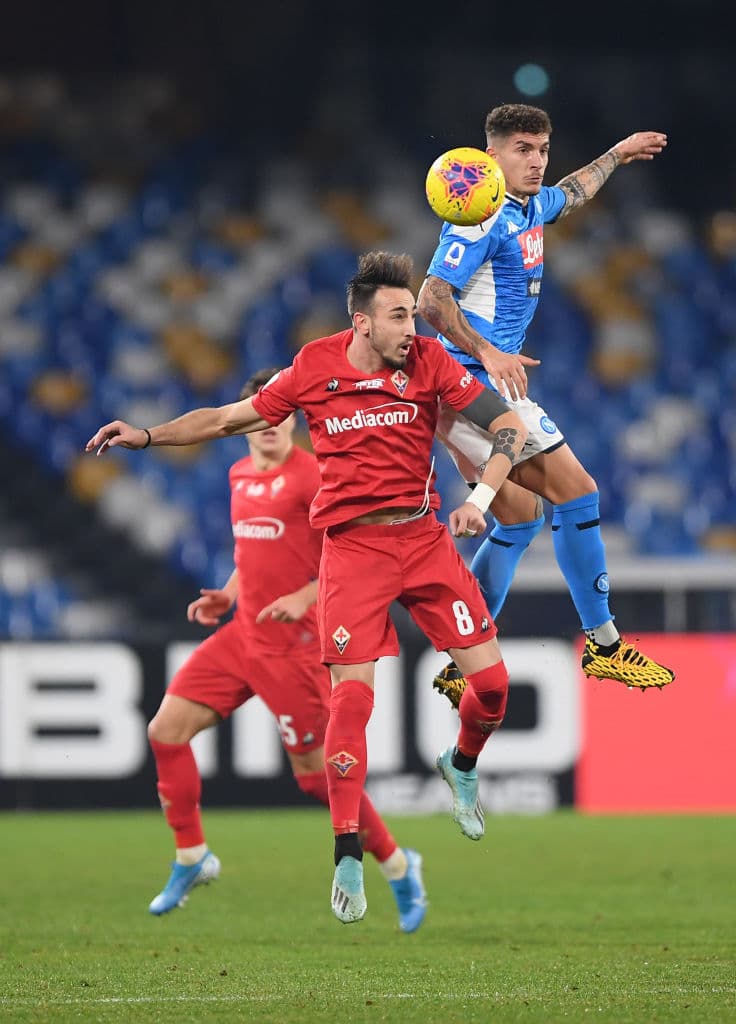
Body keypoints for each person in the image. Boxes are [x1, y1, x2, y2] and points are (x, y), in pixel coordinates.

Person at [87, 251, 529, 926]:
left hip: (424, 540)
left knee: (493, 689)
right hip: (353, 552)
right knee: (349, 705)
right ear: (362, 322)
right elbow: (225, 419)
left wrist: (482, 497)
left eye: (413, 315)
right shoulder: (313, 367)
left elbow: (509, 427)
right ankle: (348, 853)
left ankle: (461, 763)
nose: (412, 327)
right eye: (400, 315)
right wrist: (146, 436)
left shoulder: (430, 363)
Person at [145, 367, 427, 933]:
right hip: (242, 636)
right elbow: (253, 552)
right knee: (165, 731)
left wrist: (305, 596)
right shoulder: (238, 475)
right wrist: (228, 594)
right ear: (246, 423)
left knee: (315, 778)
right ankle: (192, 856)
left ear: (293, 420)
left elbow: (356, 555)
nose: (270, 424)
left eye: (279, 414)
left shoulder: (314, 477)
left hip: (295, 649)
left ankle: (398, 864)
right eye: (260, 415)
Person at [417, 102, 675, 705]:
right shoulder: (479, 219)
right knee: (579, 493)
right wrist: (488, 351)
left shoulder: (531, 205)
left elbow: (572, 193)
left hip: (467, 390)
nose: (536, 162)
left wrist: (617, 154)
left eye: (542, 150)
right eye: (522, 150)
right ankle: (605, 645)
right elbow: (430, 298)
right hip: (471, 383)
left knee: (521, 518)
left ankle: (464, 653)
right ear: (491, 157)